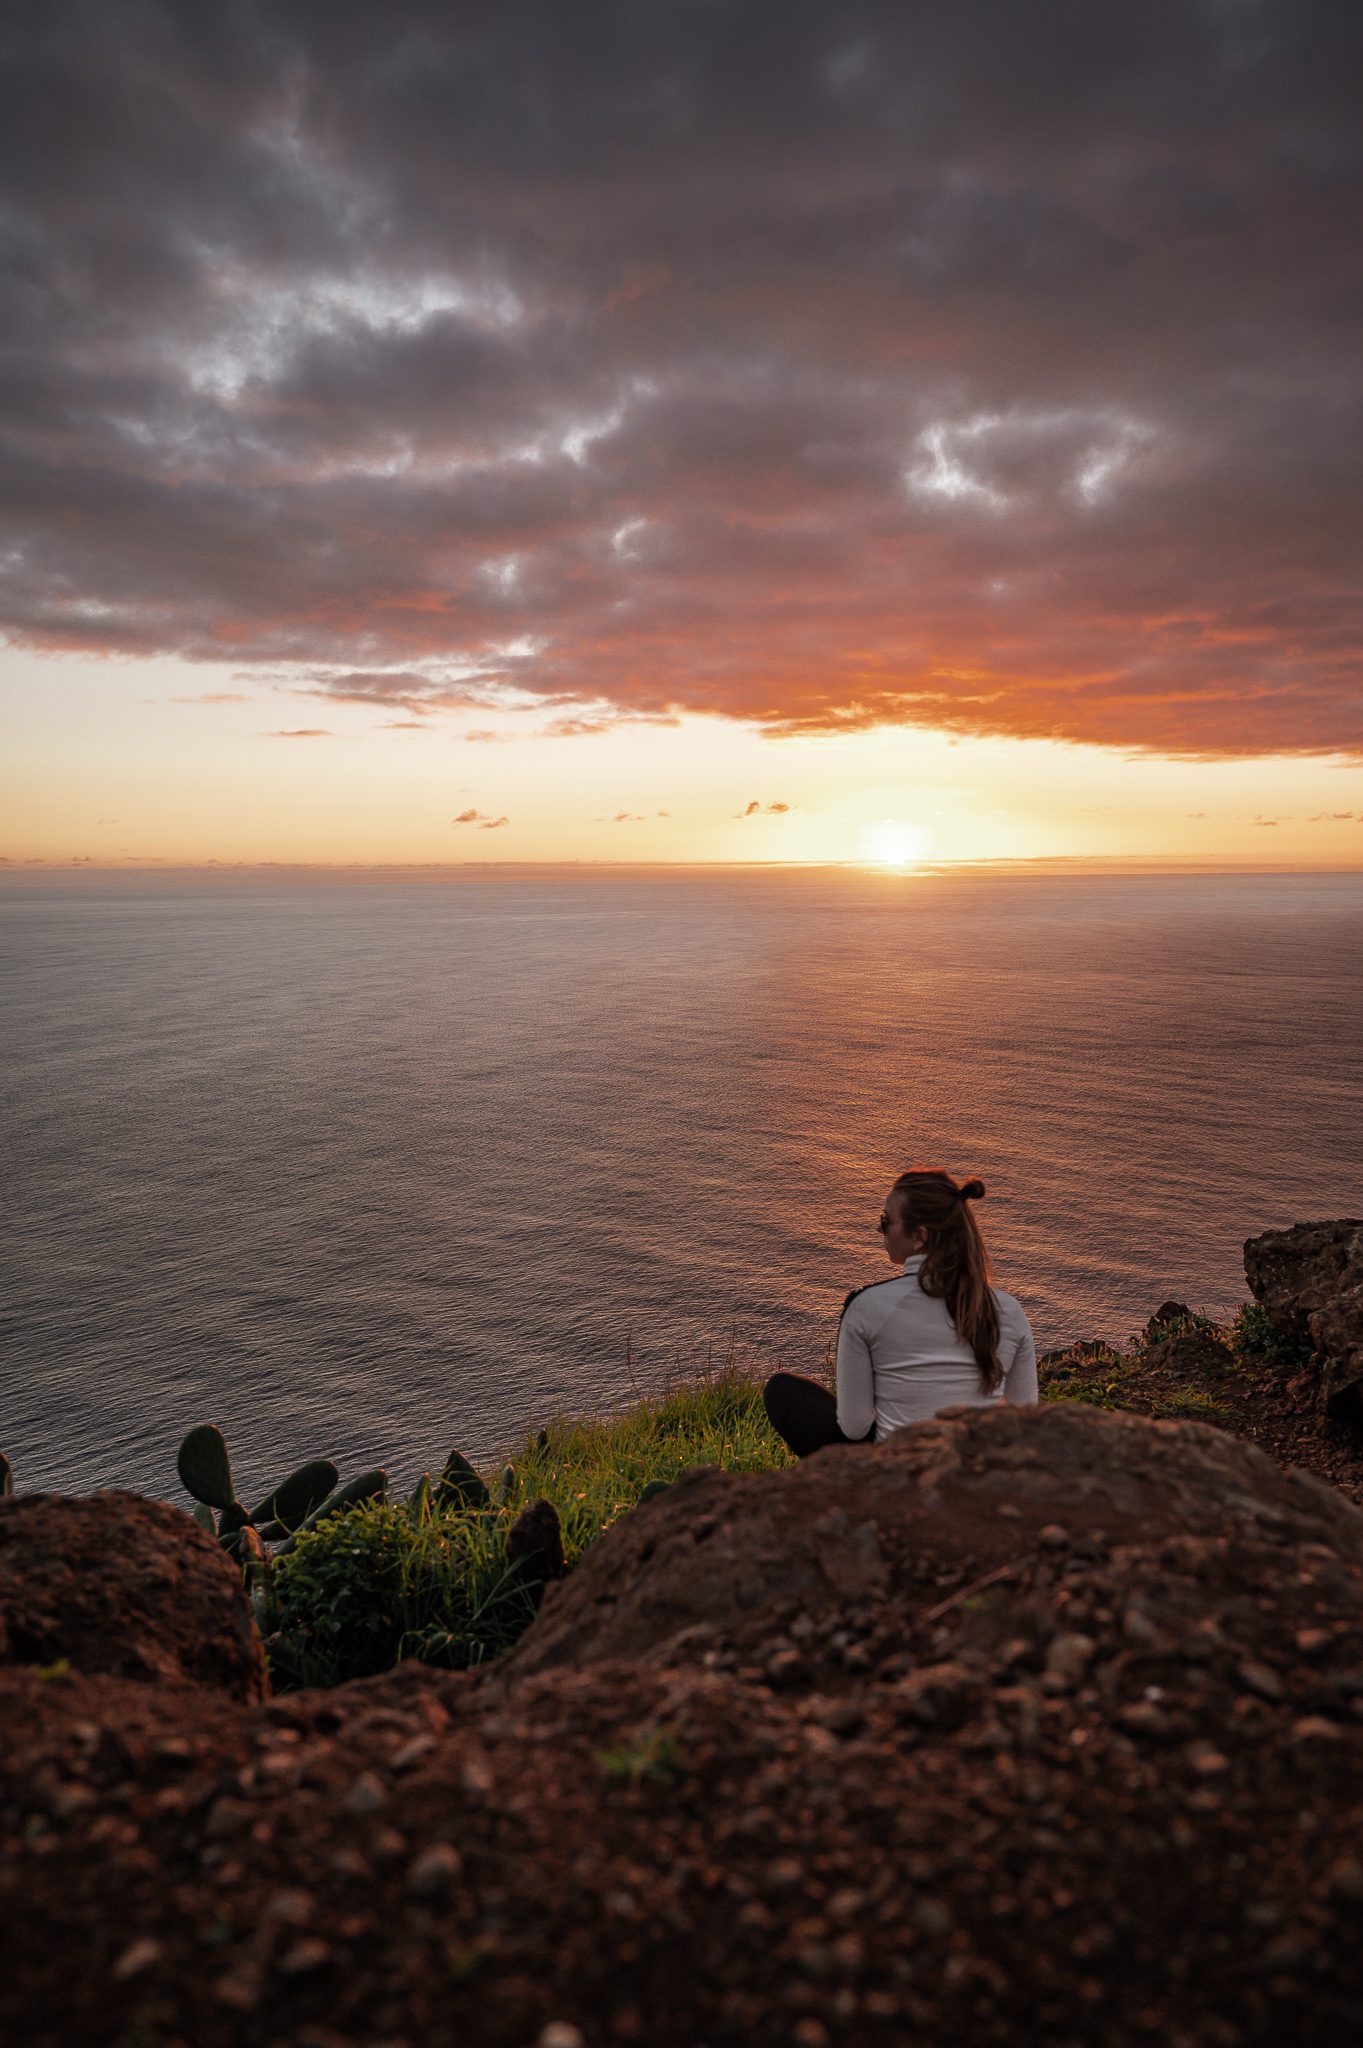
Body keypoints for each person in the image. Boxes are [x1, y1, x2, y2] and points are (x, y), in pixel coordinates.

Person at [763, 1167, 1038, 1458]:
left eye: (886, 1222)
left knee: (783, 1391)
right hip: (975, 1472)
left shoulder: (865, 1306)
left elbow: (854, 1427)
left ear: (919, 1236)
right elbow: (1025, 1418)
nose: (880, 1230)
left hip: (898, 1472)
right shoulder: (1009, 1310)